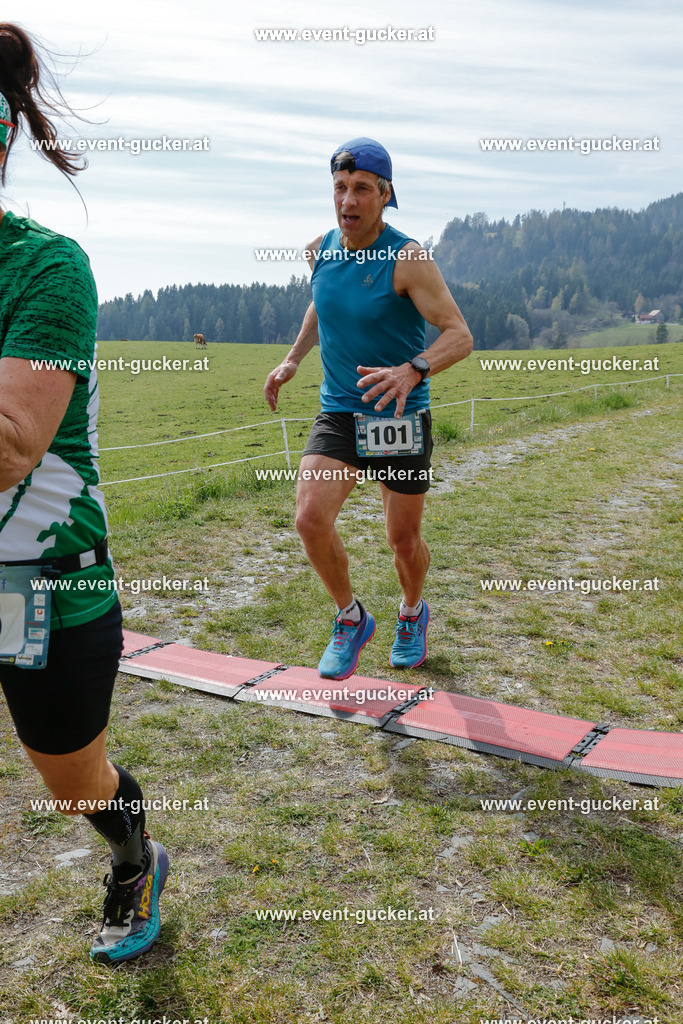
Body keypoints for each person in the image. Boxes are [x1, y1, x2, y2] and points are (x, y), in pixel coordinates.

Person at [0, 23, 167, 964]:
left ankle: (136, 855)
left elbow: (13, 446)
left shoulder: (44, 268)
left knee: (73, 782)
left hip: (43, 584)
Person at [264, 137, 473, 680]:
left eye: (360, 189)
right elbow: (321, 303)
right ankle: (351, 617)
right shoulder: (319, 250)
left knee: (402, 540)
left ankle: (411, 611)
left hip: (397, 416)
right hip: (339, 410)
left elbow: (459, 335)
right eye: (339, 188)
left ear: (384, 195)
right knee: (310, 519)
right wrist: (292, 359)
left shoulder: (408, 258)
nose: (347, 200)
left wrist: (413, 369)